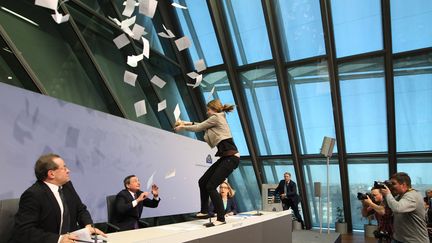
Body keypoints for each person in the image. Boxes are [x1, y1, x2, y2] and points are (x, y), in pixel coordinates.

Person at [9, 153, 106, 243]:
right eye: (64, 168)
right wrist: (59, 239)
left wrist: (88, 225)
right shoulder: (33, 195)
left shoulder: (67, 186)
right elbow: (25, 231)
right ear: (51, 174)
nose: (68, 170)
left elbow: (80, 209)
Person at [174, 99, 240, 227]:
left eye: (208, 109)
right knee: (202, 181)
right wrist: (184, 122)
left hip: (231, 158)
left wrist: (182, 127)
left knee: (210, 186)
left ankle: (221, 218)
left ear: (213, 109)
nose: (207, 112)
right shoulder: (217, 118)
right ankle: (204, 211)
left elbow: (199, 127)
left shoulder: (216, 117)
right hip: (226, 157)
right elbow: (202, 124)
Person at [381, 172, 429, 243]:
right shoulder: (400, 196)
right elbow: (388, 208)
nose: (391, 186)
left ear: (403, 185)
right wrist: (387, 195)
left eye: (393, 184)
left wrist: (388, 194)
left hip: (415, 240)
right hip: (399, 238)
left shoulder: (412, 195)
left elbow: (397, 208)